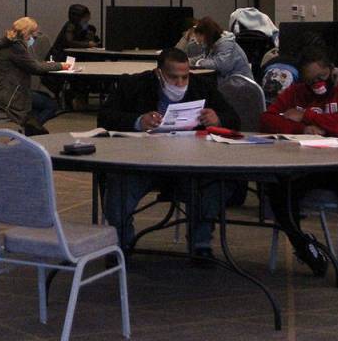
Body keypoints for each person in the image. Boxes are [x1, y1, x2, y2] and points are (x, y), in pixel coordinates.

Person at [98, 48, 241, 257]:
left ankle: (201, 243)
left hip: (192, 162)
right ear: (159, 73)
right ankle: (121, 244)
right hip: (142, 160)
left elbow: (234, 118)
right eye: (174, 78)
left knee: (214, 184)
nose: (181, 83)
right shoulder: (133, 85)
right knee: (118, 185)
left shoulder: (202, 86)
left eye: (185, 77)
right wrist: (137, 122)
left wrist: (218, 118)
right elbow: (105, 117)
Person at [259, 45, 338, 290]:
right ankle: (304, 247)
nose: (317, 85)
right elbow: (268, 119)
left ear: (331, 70)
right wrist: (301, 130)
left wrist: (307, 117)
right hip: (313, 163)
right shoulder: (298, 92)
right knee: (278, 187)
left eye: (320, 78)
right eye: (310, 80)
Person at [0, 17, 70, 135]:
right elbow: (35, 68)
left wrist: (50, 65)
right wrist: (61, 66)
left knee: (41, 102)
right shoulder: (16, 47)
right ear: (27, 33)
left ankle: (30, 130)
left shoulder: (7, 42)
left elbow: (31, 64)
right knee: (51, 105)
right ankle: (28, 132)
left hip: (4, 90)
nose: (34, 38)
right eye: (33, 35)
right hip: (10, 94)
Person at [189, 17, 252, 81]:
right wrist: (188, 62)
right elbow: (205, 57)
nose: (198, 41)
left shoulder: (226, 44)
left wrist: (199, 62)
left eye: (200, 36)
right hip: (230, 82)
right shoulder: (214, 44)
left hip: (241, 84)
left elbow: (220, 65)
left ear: (206, 34)